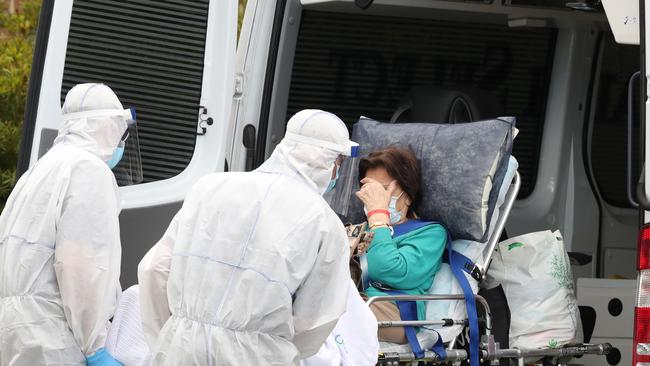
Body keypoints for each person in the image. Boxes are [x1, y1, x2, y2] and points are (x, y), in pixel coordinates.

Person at [137, 109, 358, 365]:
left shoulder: (208, 187)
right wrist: (272, 344)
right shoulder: (324, 222)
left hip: (181, 346)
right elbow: (316, 319)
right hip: (258, 356)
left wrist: (172, 333)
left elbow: (154, 268)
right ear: (330, 163)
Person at [0, 83, 132, 365]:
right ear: (108, 125)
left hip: (16, 337)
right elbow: (80, 265)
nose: (122, 142)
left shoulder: (38, 171)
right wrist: (95, 346)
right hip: (56, 341)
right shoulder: (87, 171)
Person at [355, 146, 447, 344]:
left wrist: (379, 218)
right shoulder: (359, 230)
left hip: (395, 312)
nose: (374, 196)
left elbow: (391, 271)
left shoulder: (430, 233)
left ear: (407, 195)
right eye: (370, 190)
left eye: (382, 190)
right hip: (357, 300)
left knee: (334, 310)